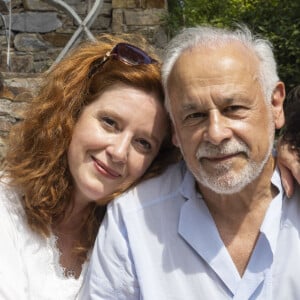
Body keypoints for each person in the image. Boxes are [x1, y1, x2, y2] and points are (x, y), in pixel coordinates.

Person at [81, 25, 300, 299]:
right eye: (194, 115)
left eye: (233, 109)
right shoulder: (133, 221)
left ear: (275, 105)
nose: (216, 133)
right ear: (174, 129)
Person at [0, 34, 179, 300]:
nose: (119, 152)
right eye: (109, 123)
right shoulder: (7, 207)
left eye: (143, 143)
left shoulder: (132, 233)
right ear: (71, 115)